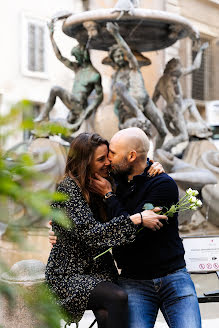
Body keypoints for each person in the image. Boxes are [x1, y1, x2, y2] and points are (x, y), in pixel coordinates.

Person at [49, 128, 202, 328]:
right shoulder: (109, 183)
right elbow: (93, 227)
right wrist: (60, 230)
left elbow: (134, 235)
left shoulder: (160, 184)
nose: (108, 161)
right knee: (116, 304)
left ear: (131, 156)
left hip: (173, 277)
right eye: (104, 157)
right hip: (131, 279)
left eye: (111, 154)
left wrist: (111, 196)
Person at [105, 22, 168, 149]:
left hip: (145, 100)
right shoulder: (116, 77)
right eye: (115, 57)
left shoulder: (133, 67)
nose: (118, 58)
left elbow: (129, 53)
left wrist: (116, 34)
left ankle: (158, 155)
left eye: (119, 55)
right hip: (130, 106)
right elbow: (115, 97)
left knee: (163, 131)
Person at [35, 20, 103, 133]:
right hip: (72, 102)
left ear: (83, 56)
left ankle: (43, 116)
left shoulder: (95, 75)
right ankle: (44, 117)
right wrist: (51, 36)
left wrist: (87, 111)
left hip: (79, 106)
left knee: (55, 89)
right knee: (55, 91)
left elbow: (99, 97)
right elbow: (60, 57)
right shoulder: (78, 68)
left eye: (77, 57)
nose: (76, 60)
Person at [152, 42, 212, 151]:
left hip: (168, 109)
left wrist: (156, 114)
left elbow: (153, 100)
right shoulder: (174, 76)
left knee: (163, 133)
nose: (180, 68)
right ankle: (163, 150)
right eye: (179, 65)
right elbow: (195, 67)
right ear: (174, 67)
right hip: (175, 109)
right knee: (183, 136)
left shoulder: (161, 80)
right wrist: (200, 51)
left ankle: (158, 151)